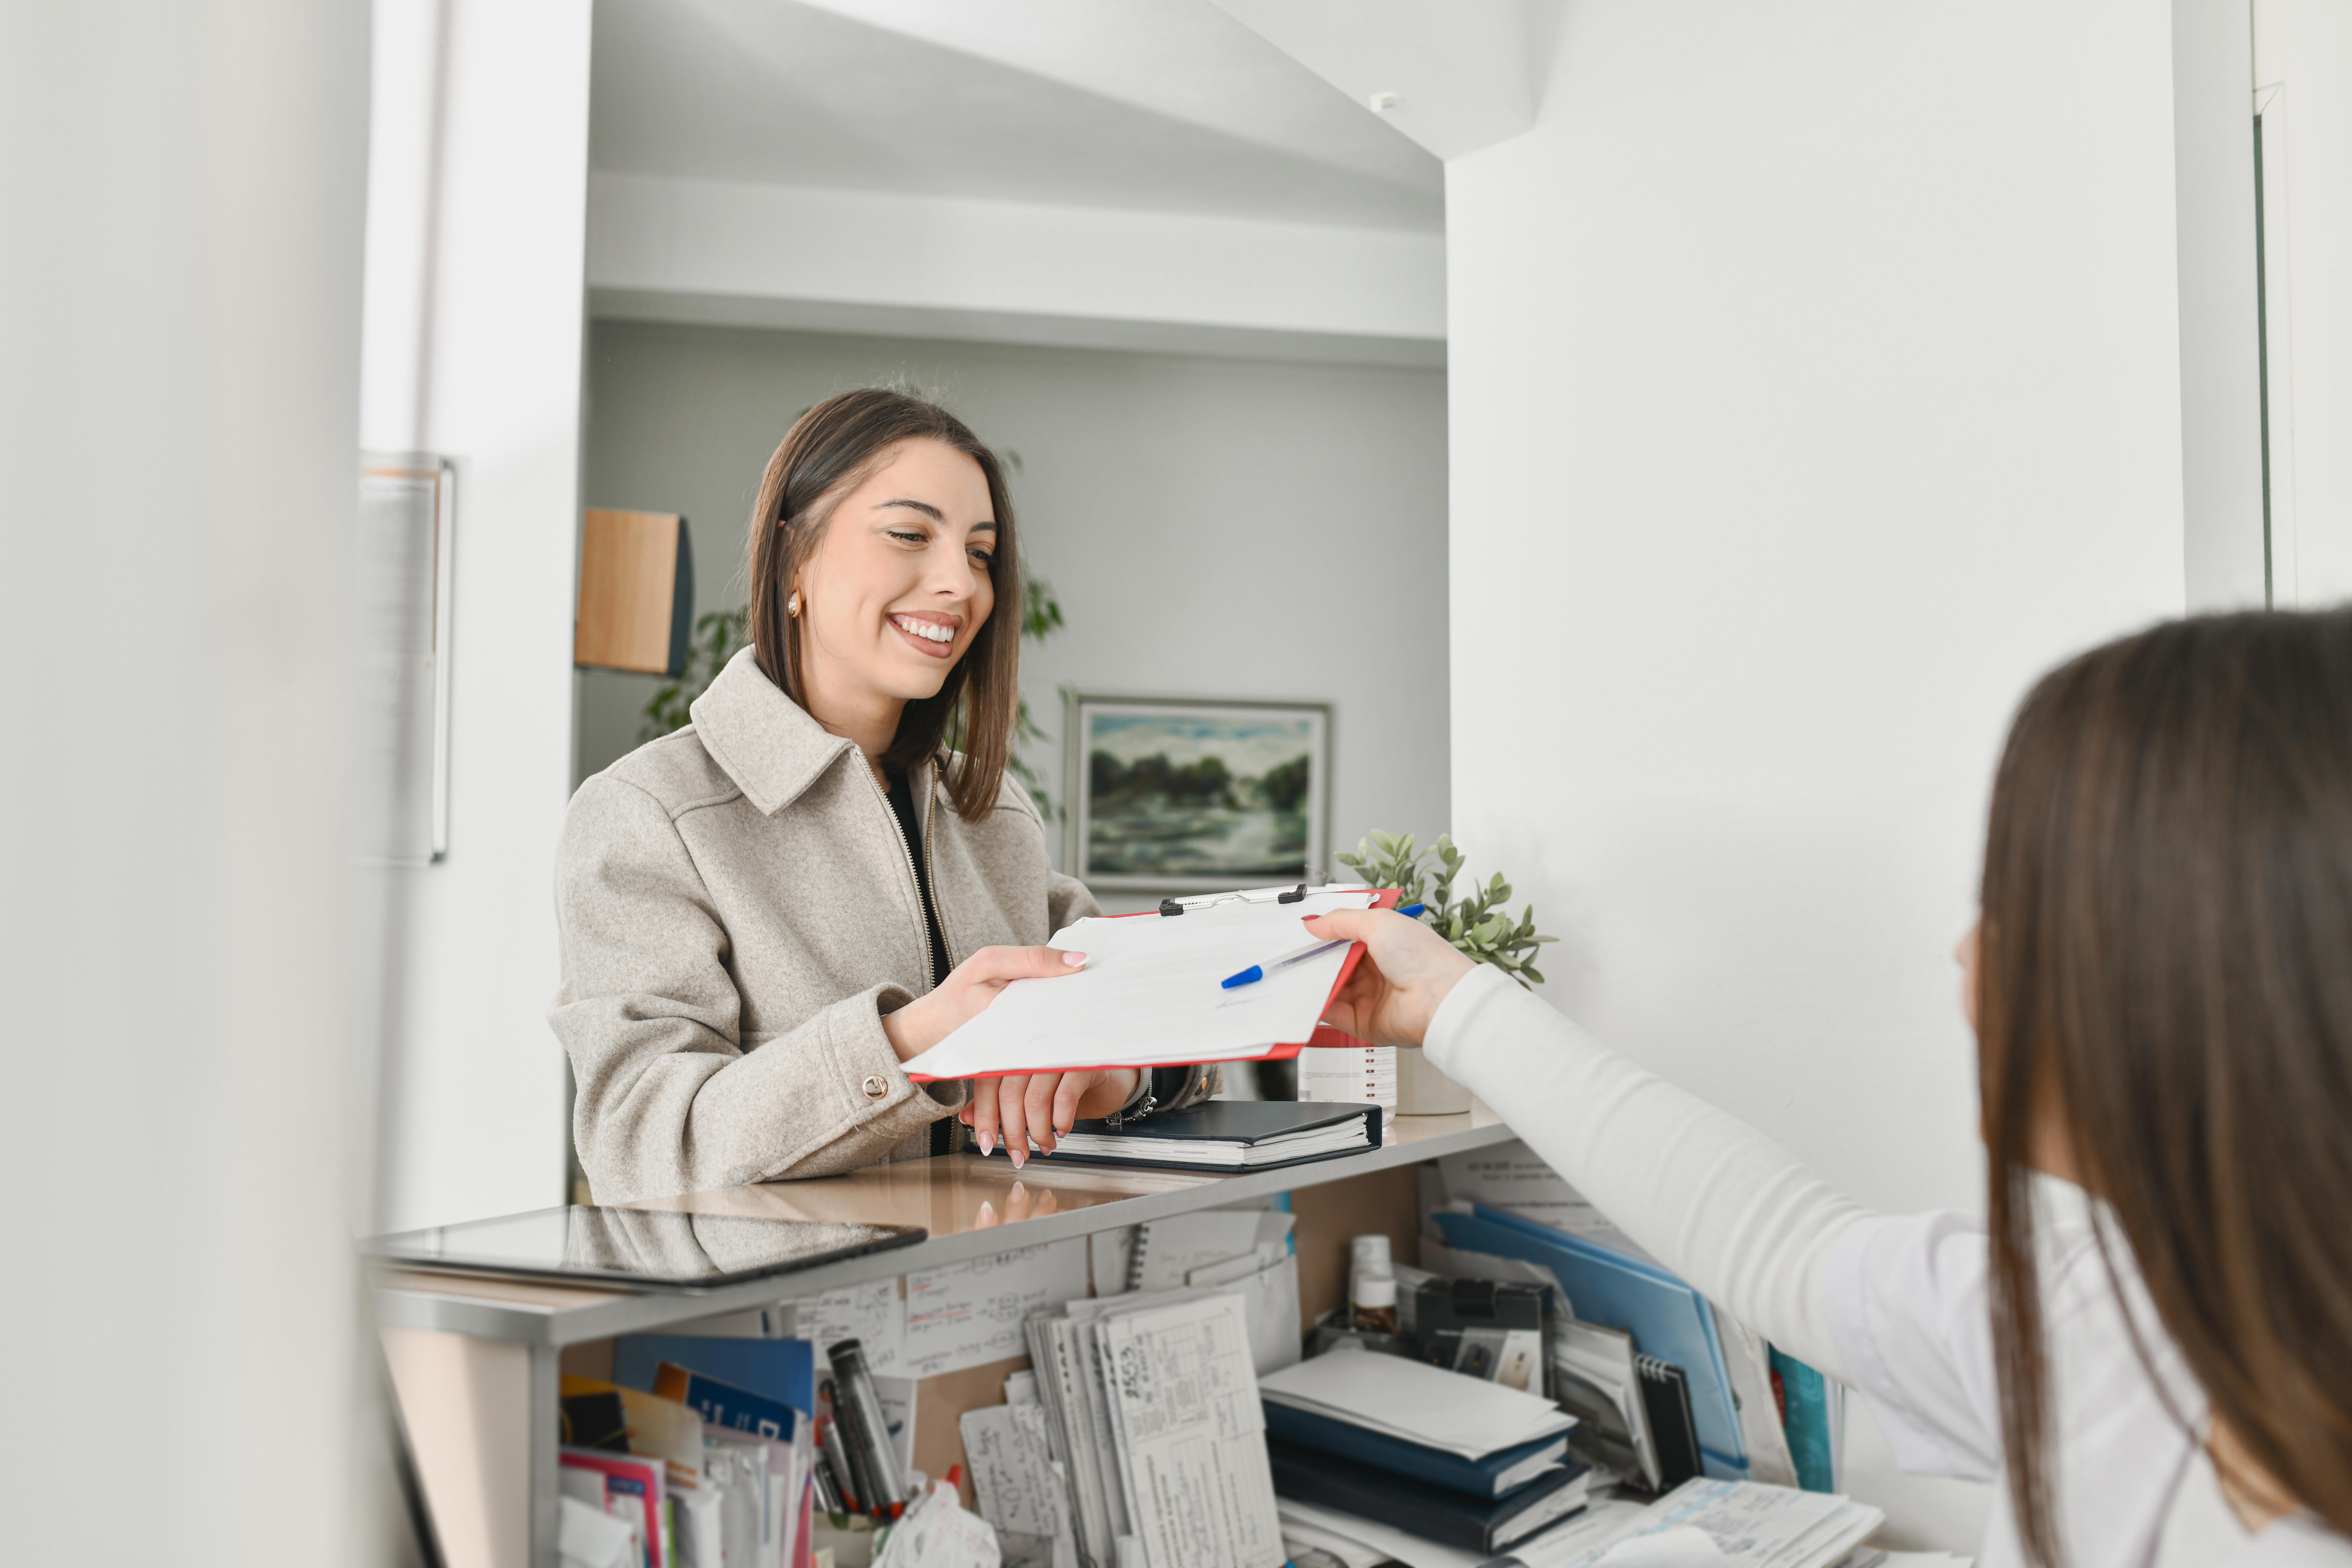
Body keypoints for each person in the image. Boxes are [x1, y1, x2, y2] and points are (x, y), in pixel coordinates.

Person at [1302, 610, 2352, 1568]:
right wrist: (1451, 1004)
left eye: (2017, 899)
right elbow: (1782, 1243)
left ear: (2205, 970)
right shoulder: (2112, 1309)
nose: (1968, 954)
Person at [551, 388, 1213, 1205]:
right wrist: (914, 1038)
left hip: (997, 1300)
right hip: (780, 1320)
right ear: (796, 557)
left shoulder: (993, 815)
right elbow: (644, 1149)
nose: (959, 584)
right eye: (909, 535)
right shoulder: (649, 813)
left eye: (980, 553)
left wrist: (1124, 1076)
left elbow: (1168, 1028)